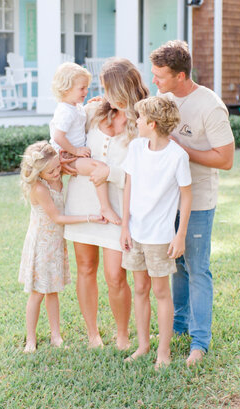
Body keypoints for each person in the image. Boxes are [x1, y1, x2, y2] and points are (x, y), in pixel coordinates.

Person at [150, 40, 234, 366]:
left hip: (197, 200)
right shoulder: (163, 98)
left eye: (160, 76)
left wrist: (182, 148)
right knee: (177, 267)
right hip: (166, 200)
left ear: (181, 75)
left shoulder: (210, 106)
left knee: (197, 269)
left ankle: (199, 342)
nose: (154, 80)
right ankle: (179, 326)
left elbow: (225, 160)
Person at [64, 58, 149, 349]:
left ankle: (123, 335)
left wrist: (108, 172)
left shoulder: (143, 122)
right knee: (85, 267)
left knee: (115, 276)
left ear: (124, 88)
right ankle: (93, 335)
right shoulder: (90, 112)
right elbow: (66, 151)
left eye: (107, 87)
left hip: (118, 210)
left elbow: (146, 173)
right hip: (82, 202)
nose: (102, 92)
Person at [120, 97, 192, 368]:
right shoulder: (136, 148)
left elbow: (186, 196)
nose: (135, 121)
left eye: (139, 118)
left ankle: (164, 351)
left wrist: (180, 234)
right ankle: (143, 345)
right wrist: (125, 226)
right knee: (140, 288)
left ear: (151, 124)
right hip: (135, 233)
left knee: (161, 292)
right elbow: (128, 186)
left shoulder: (177, 156)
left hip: (160, 236)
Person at [18, 140, 105, 353]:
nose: (58, 173)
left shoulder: (55, 174)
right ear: (38, 173)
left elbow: (65, 167)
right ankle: (31, 338)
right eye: (51, 171)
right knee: (38, 292)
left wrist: (65, 161)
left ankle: (55, 334)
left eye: (58, 167)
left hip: (56, 243)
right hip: (42, 244)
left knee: (53, 290)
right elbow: (57, 217)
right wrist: (89, 218)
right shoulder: (39, 187)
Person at [50, 62, 121, 225]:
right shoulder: (65, 111)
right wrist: (75, 151)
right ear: (66, 89)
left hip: (71, 153)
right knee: (98, 168)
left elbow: (81, 118)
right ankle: (105, 207)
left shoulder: (74, 107)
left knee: (97, 167)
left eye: (86, 87)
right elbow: (58, 136)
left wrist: (95, 102)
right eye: (81, 88)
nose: (86, 91)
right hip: (66, 155)